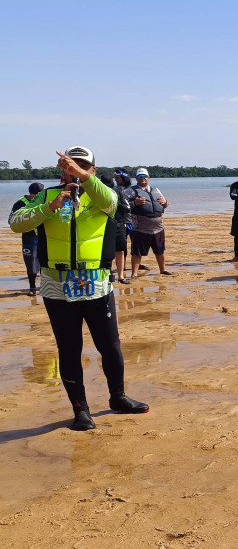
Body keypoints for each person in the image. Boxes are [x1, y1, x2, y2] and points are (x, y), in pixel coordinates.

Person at [9, 146, 148, 431]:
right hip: (56, 286)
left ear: (92, 170)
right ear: (61, 169)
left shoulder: (104, 196)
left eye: (82, 165)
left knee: (110, 347)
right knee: (69, 349)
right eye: (69, 165)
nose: (72, 169)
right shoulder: (47, 196)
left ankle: (118, 397)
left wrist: (83, 177)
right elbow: (15, 223)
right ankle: (80, 410)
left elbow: (111, 202)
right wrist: (50, 207)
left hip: (96, 284)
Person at [126, 167, 171, 277]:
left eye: (144, 177)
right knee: (137, 252)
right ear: (136, 178)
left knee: (160, 250)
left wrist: (165, 202)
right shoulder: (131, 191)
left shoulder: (156, 190)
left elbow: (165, 204)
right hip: (141, 227)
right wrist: (135, 203)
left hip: (158, 227)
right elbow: (124, 206)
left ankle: (163, 270)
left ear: (148, 178)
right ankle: (134, 274)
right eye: (140, 177)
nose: (142, 179)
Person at [7, 182, 45, 295]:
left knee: (45, 263)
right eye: (39, 194)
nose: (41, 197)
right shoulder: (20, 204)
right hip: (29, 238)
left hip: (44, 237)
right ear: (33, 194)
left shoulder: (44, 201)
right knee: (31, 264)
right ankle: (32, 288)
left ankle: (44, 287)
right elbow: (11, 221)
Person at [112, 169, 133, 283]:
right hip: (120, 222)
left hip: (132, 221)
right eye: (115, 178)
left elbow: (131, 205)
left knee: (133, 246)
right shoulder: (114, 190)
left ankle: (134, 267)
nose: (116, 180)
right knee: (121, 248)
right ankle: (121, 269)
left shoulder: (132, 190)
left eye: (118, 178)